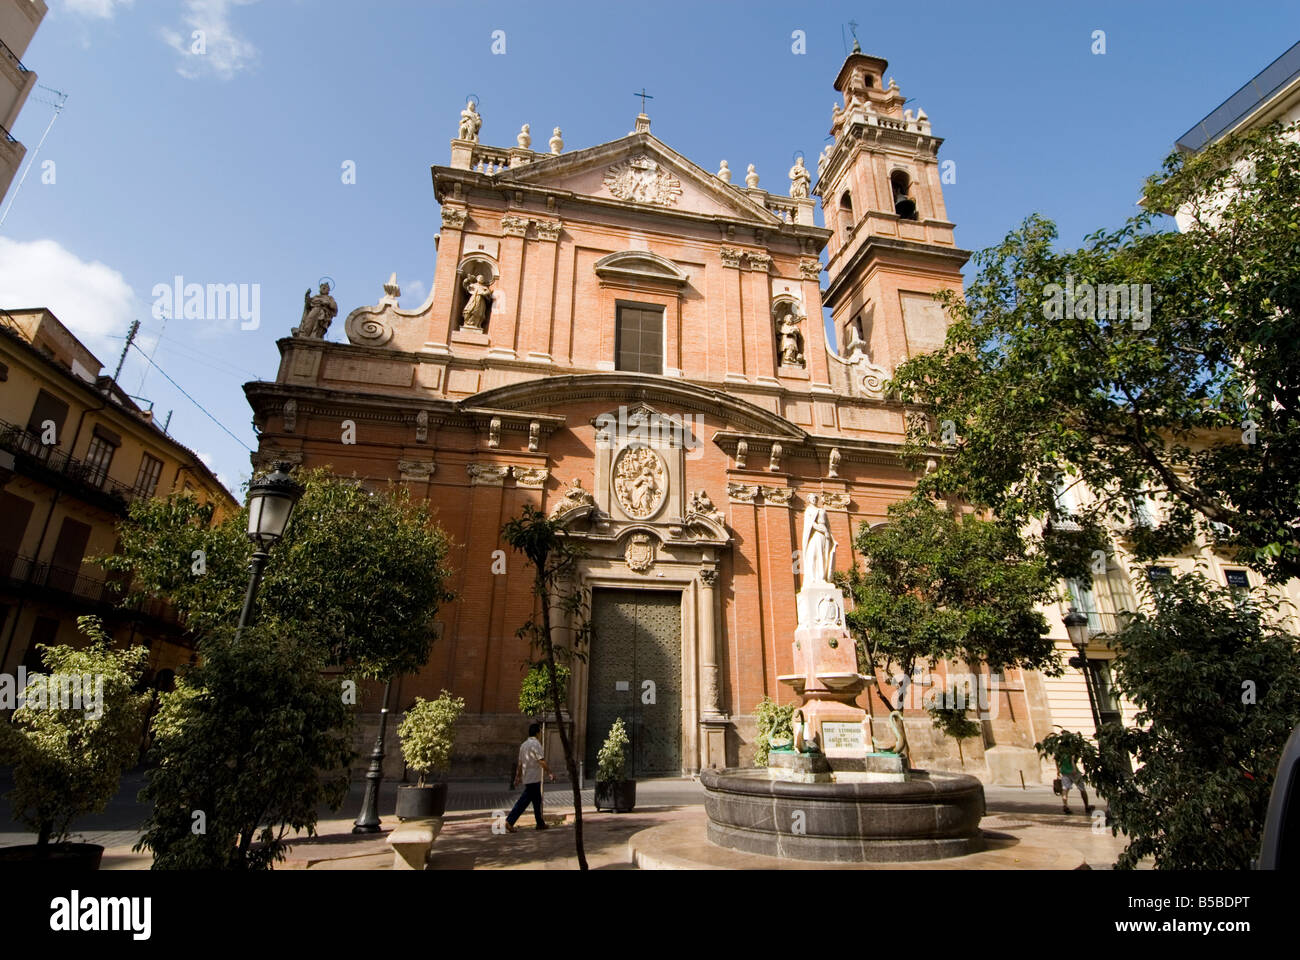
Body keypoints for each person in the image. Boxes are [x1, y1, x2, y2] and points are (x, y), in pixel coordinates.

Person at [506, 722, 555, 832]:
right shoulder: (536, 745)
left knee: (537, 801)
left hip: (527, 777)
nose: (540, 733)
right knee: (524, 801)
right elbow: (541, 761)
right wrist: (550, 772)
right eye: (540, 731)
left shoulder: (523, 745)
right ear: (537, 733)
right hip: (534, 778)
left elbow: (519, 763)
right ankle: (509, 821)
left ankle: (540, 823)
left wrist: (517, 777)